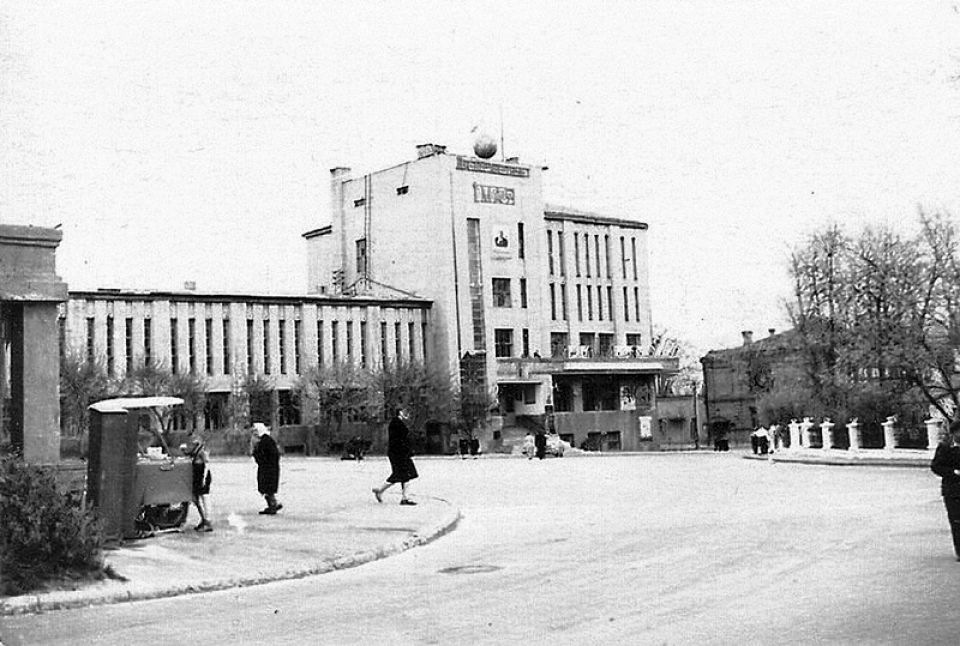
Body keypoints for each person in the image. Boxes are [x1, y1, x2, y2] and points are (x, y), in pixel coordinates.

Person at [372, 407, 419, 505]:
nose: (406, 414)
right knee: (401, 474)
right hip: (399, 453)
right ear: (399, 413)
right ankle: (403, 498)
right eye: (403, 412)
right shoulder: (396, 423)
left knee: (403, 474)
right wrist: (407, 450)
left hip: (400, 453)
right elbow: (400, 440)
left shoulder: (398, 422)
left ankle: (402, 497)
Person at [931, 420, 960, 560]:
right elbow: (936, 466)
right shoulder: (945, 447)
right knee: (957, 521)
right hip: (953, 491)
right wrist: (954, 473)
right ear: (954, 433)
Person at [181, 434, 213, 532]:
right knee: (198, 498)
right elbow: (190, 454)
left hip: (202, 476)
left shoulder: (202, 451)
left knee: (204, 498)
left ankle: (207, 521)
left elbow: (207, 464)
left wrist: (203, 479)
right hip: (198, 476)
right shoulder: (196, 450)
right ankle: (204, 519)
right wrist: (184, 451)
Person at [251, 422, 283, 514]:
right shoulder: (266, 440)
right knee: (267, 488)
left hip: (268, 469)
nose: (254, 433)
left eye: (255, 431)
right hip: (269, 468)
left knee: (267, 488)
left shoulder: (265, 441)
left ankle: (272, 505)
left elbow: (262, 456)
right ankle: (273, 504)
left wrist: (255, 451)